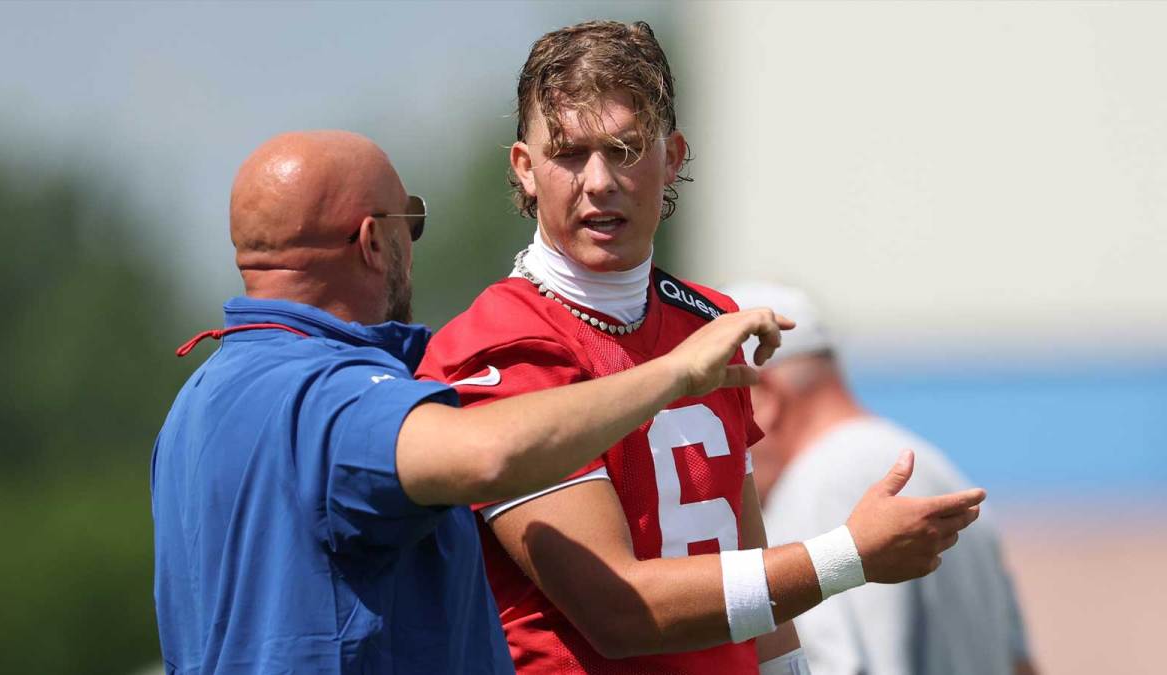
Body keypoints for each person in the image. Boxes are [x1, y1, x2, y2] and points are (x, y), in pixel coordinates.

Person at [417, 20, 987, 675]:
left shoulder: (710, 321)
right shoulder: (501, 345)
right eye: (570, 153)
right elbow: (619, 613)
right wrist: (848, 554)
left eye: (624, 148)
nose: (598, 180)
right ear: (524, 168)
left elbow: (747, 565)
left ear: (674, 158)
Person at [150, 130, 793, 675]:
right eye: (413, 221)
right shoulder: (336, 396)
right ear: (376, 241)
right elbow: (487, 453)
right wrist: (673, 373)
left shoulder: (197, 401)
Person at [723, 281, 1038, 675]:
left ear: (764, 398)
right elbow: (1020, 663)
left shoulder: (821, 487)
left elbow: (835, 666)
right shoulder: (932, 463)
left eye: (712, 408)